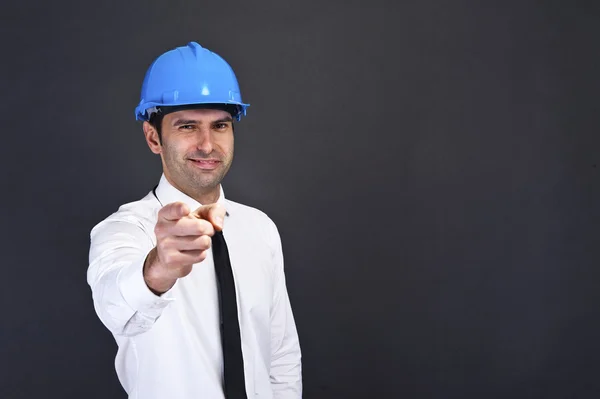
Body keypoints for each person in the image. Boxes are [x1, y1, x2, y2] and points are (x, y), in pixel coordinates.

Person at [87, 41, 302, 399]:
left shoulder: (260, 228)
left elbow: (280, 353)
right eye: (187, 127)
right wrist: (158, 270)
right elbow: (116, 308)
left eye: (220, 125)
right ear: (154, 137)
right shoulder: (126, 229)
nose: (207, 144)